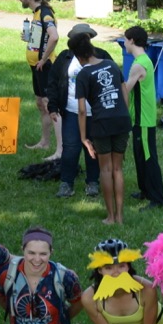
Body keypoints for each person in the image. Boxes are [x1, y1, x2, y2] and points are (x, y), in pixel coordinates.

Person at [74, 33, 131, 225]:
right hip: (122, 120)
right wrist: (124, 113)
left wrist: (83, 138)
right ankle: (121, 217)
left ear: (79, 56)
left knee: (105, 170)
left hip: (102, 123)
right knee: (118, 169)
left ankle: (111, 216)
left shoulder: (83, 74)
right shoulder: (111, 64)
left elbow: (82, 111)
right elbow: (124, 91)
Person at [49, 24, 106, 199]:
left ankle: (93, 182)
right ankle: (66, 183)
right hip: (72, 111)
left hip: (96, 113)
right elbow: (53, 81)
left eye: (86, 37)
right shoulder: (65, 58)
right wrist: (53, 106)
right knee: (70, 149)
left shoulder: (102, 56)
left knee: (94, 149)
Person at [122, 25, 163, 209]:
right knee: (139, 155)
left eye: (125, 39)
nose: (124, 43)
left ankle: (159, 199)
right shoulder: (143, 60)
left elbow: (126, 89)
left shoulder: (139, 64)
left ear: (132, 40)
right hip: (139, 119)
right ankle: (145, 190)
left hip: (144, 120)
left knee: (149, 158)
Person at [20, 0, 60, 155]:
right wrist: (29, 38)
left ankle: (60, 148)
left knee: (49, 104)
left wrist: (43, 59)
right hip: (36, 67)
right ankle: (44, 142)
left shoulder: (45, 13)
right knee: (40, 104)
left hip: (45, 66)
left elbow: (54, 36)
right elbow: (42, 38)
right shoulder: (36, 13)